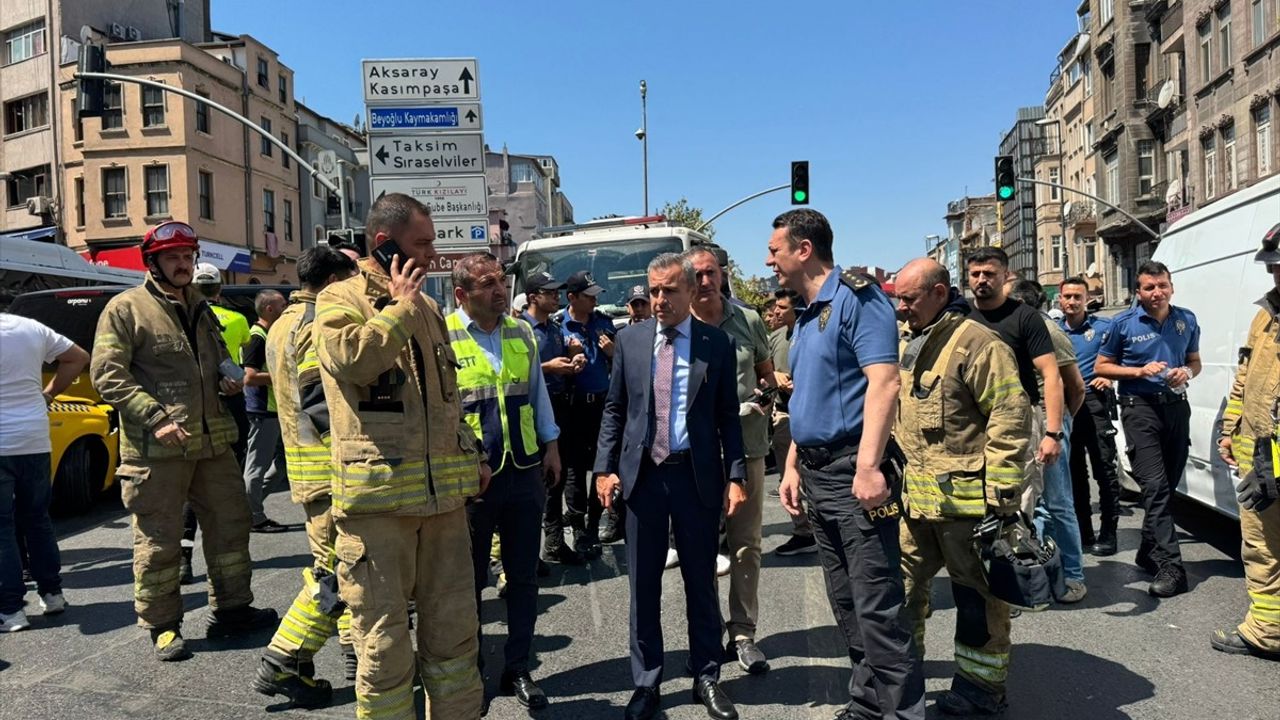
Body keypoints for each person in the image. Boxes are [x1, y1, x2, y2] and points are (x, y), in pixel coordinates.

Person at [315, 193, 486, 719]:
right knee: (384, 647)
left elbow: (448, 398)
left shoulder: (430, 307)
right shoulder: (339, 299)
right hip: (378, 511)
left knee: (456, 638)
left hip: (443, 509)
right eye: (423, 243)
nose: (434, 255)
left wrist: (472, 454)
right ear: (385, 243)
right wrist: (400, 308)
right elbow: (352, 361)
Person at [90, 220, 277, 661]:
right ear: (152, 262)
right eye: (172, 258)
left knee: (230, 527)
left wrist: (227, 379)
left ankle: (232, 611)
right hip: (159, 449)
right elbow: (106, 374)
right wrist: (155, 417)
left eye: (187, 257)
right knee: (160, 538)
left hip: (212, 443)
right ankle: (163, 626)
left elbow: (215, 363)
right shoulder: (127, 309)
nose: (182, 265)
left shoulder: (201, 307)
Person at [767, 209, 924, 720]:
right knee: (846, 602)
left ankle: (903, 711)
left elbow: (885, 382)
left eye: (775, 250)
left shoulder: (859, 299)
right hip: (816, 472)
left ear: (804, 249)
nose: (769, 259)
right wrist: (791, 465)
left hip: (852, 469)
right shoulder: (808, 313)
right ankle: (869, 701)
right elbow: (808, 400)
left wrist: (869, 466)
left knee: (877, 605)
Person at [594, 252, 746, 720]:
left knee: (700, 581)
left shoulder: (714, 344)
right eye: (653, 290)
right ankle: (646, 683)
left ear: (688, 291)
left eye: (668, 291)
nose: (659, 300)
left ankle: (706, 675)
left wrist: (736, 475)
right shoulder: (630, 341)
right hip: (643, 480)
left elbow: (726, 416)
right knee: (643, 586)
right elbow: (616, 409)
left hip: (695, 477)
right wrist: (603, 468)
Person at [894, 259, 1031, 716]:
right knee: (903, 590)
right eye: (898, 297)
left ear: (938, 293)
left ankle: (980, 688)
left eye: (909, 299)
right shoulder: (912, 344)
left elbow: (1010, 416)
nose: (901, 307)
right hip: (917, 503)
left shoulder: (977, 344)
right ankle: (902, 674)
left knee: (976, 601)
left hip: (969, 510)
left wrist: (1004, 497)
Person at [448, 254, 562, 710]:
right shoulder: (445, 335)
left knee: (522, 577)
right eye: (487, 283)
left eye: (501, 281)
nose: (499, 289)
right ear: (462, 294)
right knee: (468, 581)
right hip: (471, 482)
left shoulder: (520, 333)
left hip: (523, 472)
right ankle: (469, 671)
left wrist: (551, 446)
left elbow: (537, 392)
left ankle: (517, 667)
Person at [253, 247, 357, 708]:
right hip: (331, 470)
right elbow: (322, 405)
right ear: (334, 279)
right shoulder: (316, 322)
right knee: (339, 572)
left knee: (338, 568)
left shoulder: (281, 323)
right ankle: (284, 659)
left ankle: (337, 655)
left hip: (304, 467)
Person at [685, 246, 776, 674]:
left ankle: (743, 633)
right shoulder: (674, 326)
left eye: (711, 273)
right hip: (695, 455)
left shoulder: (750, 320)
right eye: (697, 275)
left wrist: (763, 397)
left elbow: (766, 373)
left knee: (746, 546)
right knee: (698, 548)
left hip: (749, 448)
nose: (705, 281)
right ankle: (705, 636)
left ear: (723, 275)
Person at [1095, 260, 1201, 598]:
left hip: (1175, 408)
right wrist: (1139, 372)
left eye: (1162, 286)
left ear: (1172, 287)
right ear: (1138, 292)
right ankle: (1172, 566)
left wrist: (1186, 371)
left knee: (1167, 487)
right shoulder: (1122, 324)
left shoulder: (1186, 320)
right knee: (1154, 487)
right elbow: (1102, 366)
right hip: (1139, 410)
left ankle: (1147, 548)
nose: (1157, 293)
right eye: (1149, 288)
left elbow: (1195, 361)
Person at [1214, 223, 1280, 659]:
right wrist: (1229, 429)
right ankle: (1268, 629)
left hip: (1272, 461)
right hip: (1259, 456)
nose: (1277, 276)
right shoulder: (1266, 316)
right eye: (1274, 268)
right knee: (1262, 545)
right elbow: (1245, 377)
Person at [0, 314, 89, 632]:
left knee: (2, 528)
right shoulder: (31, 327)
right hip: (34, 438)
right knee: (37, 518)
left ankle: (11, 611)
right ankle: (52, 594)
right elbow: (78, 357)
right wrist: (49, 393)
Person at [966, 249, 1066, 532]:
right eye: (975, 274)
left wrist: (1053, 434)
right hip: (973, 423)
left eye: (989, 274)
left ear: (1005, 276)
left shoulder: (1025, 317)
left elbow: (1051, 375)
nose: (982, 280)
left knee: (1018, 502)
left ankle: (1016, 570)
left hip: (1020, 423)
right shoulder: (961, 316)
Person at [1007, 279, 1088, 603]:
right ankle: (1037, 572)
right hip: (1017, 421)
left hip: (1047, 419)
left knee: (1058, 502)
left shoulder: (1049, 332)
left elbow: (1075, 387)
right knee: (1027, 504)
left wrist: (1060, 425)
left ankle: (1073, 575)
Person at [187, 264, 252, 584]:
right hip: (228, 399)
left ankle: (185, 557)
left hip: (193, 406)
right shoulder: (237, 320)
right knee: (226, 477)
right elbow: (235, 365)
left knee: (191, 484)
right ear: (219, 289)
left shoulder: (181, 317)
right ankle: (229, 574)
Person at [524, 272, 588, 565]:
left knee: (555, 478)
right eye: (549, 293)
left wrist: (576, 358)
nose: (556, 297)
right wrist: (547, 368)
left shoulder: (554, 328)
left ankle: (553, 542)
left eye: (556, 292)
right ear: (533, 297)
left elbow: (570, 352)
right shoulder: (519, 328)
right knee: (532, 483)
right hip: (531, 413)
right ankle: (525, 552)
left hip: (560, 408)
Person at [1057, 276, 1122, 556]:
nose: (1072, 302)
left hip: (1095, 405)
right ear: (1060, 299)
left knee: (1104, 470)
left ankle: (1109, 532)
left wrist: (1109, 378)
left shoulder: (1104, 328)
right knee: (1074, 474)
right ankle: (1083, 532)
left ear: (1087, 299)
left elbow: (1123, 357)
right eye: (1067, 296)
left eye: (1077, 297)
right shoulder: (1052, 331)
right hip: (1066, 406)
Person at [560, 270, 616, 556]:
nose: (594, 300)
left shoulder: (604, 323)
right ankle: (578, 527)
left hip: (603, 405)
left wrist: (612, 353)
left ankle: (594, 525)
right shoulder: (560, 325)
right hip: (573, 406)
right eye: (588, 295)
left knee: (602, 465)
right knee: (574, 470)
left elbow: (621, 362)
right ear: (572, 298)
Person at [768, 289, 817, 555]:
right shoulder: (775, 337)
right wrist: (775, 376)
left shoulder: (813, 332)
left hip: (813, 414)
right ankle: (803, 530)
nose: (776, 311)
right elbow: (764, 368)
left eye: (782, 307)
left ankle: (820, 525)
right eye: (776, 306)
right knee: (788, 474)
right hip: (785, 414)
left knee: (813, 475)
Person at [242, 289, 289, 533]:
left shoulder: (268, 333)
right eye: (283, 305)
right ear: (269, 309)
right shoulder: (257, 337)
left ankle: (252, 507)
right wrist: (283, 375)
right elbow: (249, 377)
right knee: (256, 467)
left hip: (275, 409)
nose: (287, 309)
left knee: (283, 464)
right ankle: (253, 517)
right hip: (263, 411)